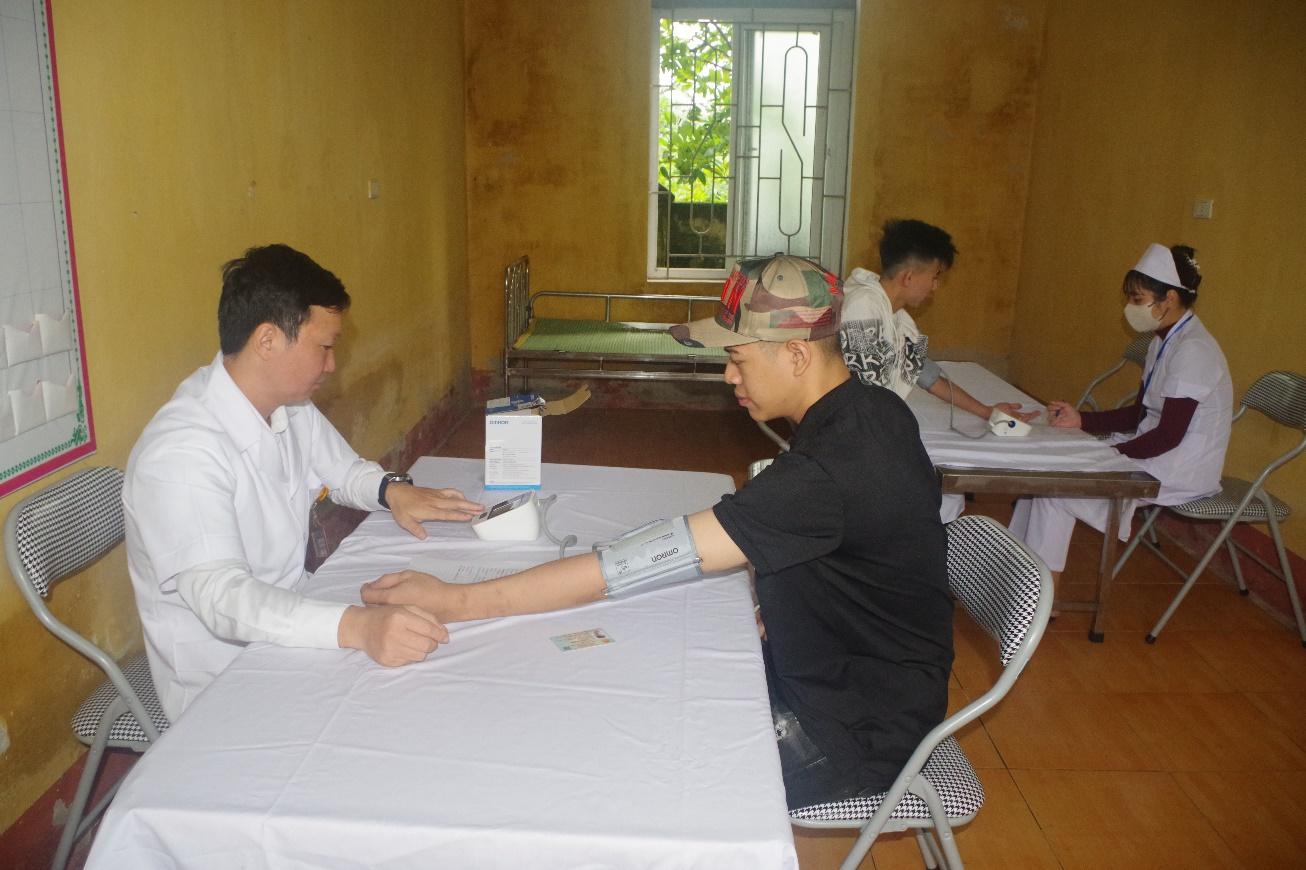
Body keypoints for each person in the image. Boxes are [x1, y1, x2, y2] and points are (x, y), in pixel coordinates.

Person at [361, 254, 954, 810]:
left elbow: (626, 565)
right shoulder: (874, 409)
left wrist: (456, 601)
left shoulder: (828, 468)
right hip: (866, 681)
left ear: (797, 354)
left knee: (629, 774)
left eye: (739, 358)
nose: (728, 375)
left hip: (855, 729)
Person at [124, 244, 485, 721]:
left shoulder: (286, 404)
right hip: (225, 679)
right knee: (404, 706)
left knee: (438, 653)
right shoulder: (180, 453)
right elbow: (224, 599)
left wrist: (392, 491)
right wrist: (356, 627)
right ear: (267, 341)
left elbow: (345, 472)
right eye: (325, 347)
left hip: (293, 618)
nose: (332, 365)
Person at [1009, 243, 1232, 580]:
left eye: (1137, 299)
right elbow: (1140, 414)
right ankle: (1013, 576)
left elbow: (1169, 436)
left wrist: (1111, 454)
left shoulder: (1194, 351)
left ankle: (1039, 595)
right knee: (1043, 476)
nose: (1130, 307)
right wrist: (1082, 420)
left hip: (1180, 467)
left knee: (1055, 490)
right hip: (1154, 449)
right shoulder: (1161, 341)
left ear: (1169, 299)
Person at [840, 218, 1034, 423]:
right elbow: (866, 391)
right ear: (908, 277)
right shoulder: (862, 307)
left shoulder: (902, 320)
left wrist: (988, 412)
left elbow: (928, 376)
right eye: (934, 277)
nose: (935, 286)